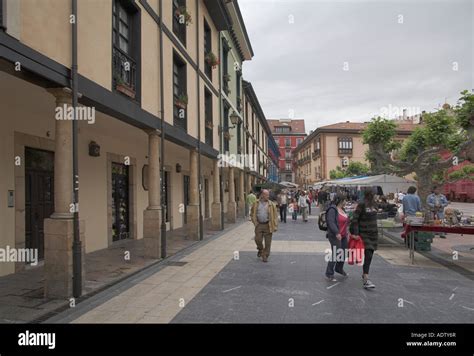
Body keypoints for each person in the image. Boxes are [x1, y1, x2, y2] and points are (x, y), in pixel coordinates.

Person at [350, 189, 378, 289]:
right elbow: (355, 219)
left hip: (373, 234)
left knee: (370, 254)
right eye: (373, 194)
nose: (374, 196)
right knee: (368, 254)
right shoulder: (361, 204)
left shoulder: (374, 204)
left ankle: (365, 273)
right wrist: (356, 233)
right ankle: (366, 277)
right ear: (369, 194)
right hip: (364, 233)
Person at [325, 193, 349, 281]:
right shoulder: (332, 209)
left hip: (343, 235)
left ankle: (339, 268)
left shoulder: (343, 210)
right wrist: (336, 232)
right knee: (336, 253)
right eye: (345, 200)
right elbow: (331, 222)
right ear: (340, 201)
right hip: (335, 235)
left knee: (343, 252)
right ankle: (329, 273)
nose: (346, 202)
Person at [250, 189, 278, 262]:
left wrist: (275, 226)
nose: (268, 196)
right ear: (262, 195)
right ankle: (261, 249)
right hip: (259, 225)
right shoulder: (256, 203)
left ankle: (265, 255)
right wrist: (254, 221)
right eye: (266, 195)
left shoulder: (272, 204)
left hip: (268, 225)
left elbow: (275, 216)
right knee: (258, 240)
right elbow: (252, 213)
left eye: (268, 195)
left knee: (268, 242)